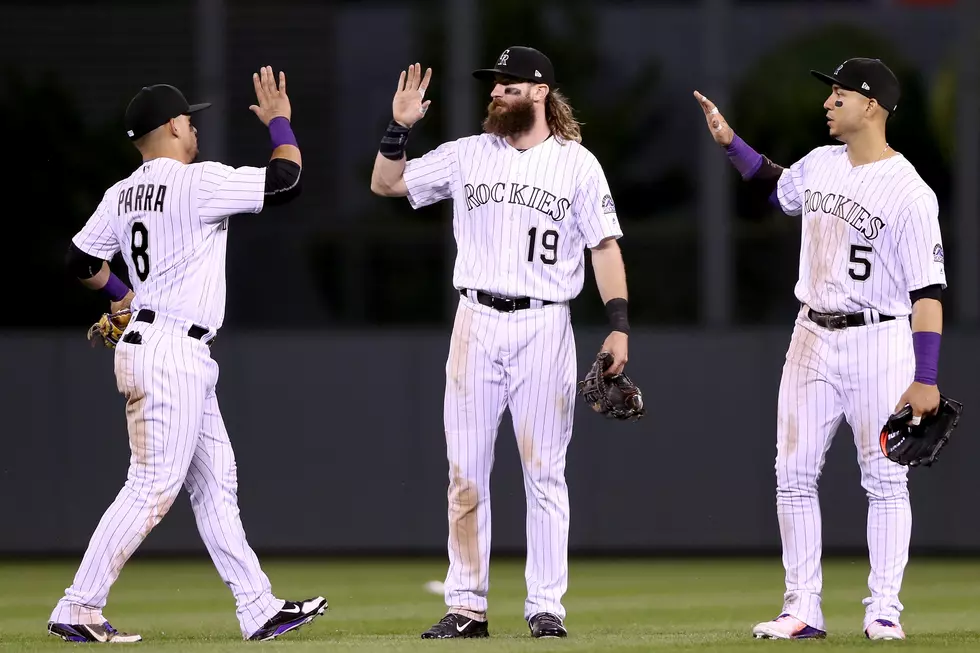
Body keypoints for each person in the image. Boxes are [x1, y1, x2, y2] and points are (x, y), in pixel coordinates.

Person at [50, 68, 326, 643]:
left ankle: (259, 608)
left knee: (216, 483)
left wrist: (122, 296)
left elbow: (79, 259)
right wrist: (280, 120)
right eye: (190, 119)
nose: (195, 126)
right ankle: (78, 606)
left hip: (163, 346)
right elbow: (286, 181)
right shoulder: (198, 181)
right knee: (151, 487)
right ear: (174, 126)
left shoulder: (120, 193)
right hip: (171, 350)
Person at [370, 47, 631, 639]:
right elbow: (386, 182)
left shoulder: (577, 165)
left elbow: (605, 247)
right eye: (494, 84)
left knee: (545, 473)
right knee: (465, 472)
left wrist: (618, 323)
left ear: (540, 92)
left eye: (509, 85)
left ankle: (545, 607)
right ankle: (466, 606)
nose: (496, 92)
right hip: (476, 321)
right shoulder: (468, 154)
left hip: (545, 324)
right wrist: (399, 127)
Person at [694, 57, 947, 641]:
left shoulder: (911, 192)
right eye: (829, 92)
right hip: (810, 332)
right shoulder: (821, 164)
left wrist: (926, 376)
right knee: (792, 473)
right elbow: (773, 183)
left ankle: (884, 609)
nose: (829, 101)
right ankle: (802, 608)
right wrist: (731, 142)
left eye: (840, 93)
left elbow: (928, 294)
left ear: (873, 106)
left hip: (880, 337)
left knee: (885, 478)